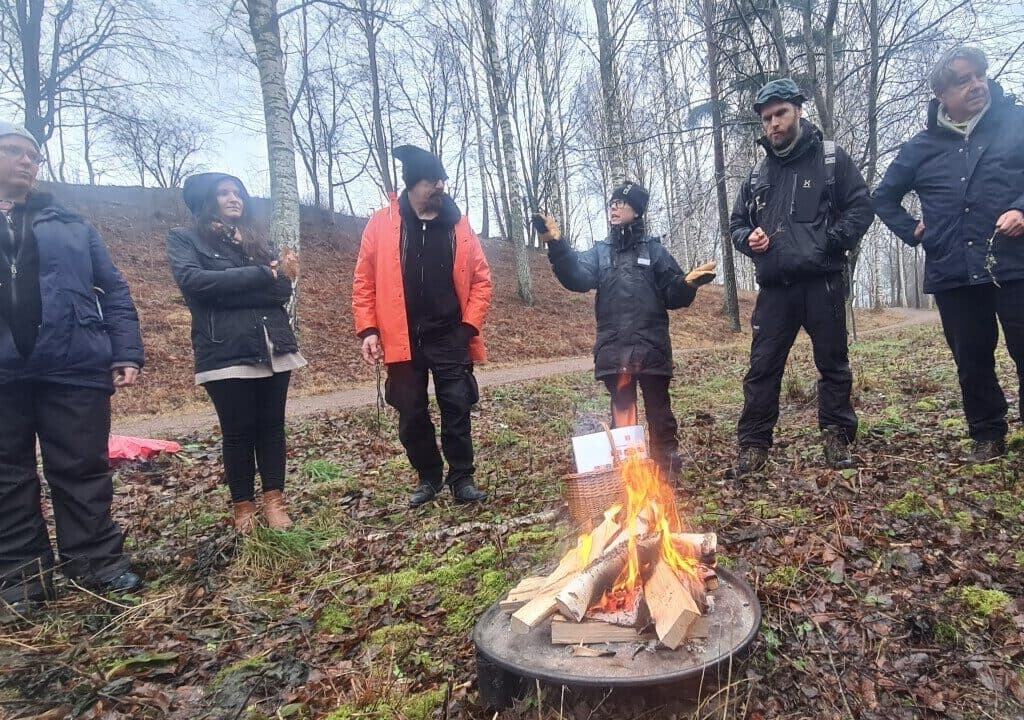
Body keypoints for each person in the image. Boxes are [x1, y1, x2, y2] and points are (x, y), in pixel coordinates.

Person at [0, 121, 145, 612]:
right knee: (6, 475)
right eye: (14, 151)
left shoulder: (71, 224)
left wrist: (124, 350)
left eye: (33, 156)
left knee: (82, 468)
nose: (27, 161)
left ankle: (96, 562)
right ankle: (23, 577)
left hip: (74, 362)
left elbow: (115, 289)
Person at [873, 47, 1024, 463]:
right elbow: (883, 197)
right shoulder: (921, 146)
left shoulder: (1016, 123)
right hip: (952, 270)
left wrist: (1021, 209)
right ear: (942, 94)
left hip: (1015, 265)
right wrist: (913, 230)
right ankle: (987, 436)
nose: (977, 85)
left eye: (980, 75)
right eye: (963, 80)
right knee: (972, 360)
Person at [729, 79, 874, 477]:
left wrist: (830, 242)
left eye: (780, 114)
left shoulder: (831, 159)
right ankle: (754, 445)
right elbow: (738, 223)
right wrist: (749, 239)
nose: (773, 124)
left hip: (822, 282)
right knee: (762, 368)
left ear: (797, 112)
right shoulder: (758, 173)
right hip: (775, 288)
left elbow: (861, 208)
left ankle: (837, 436)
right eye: (766, 118)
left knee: (833, 364)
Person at [537, 181, 717, 481]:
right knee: (622, 418)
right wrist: (557, 245)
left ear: (637, 210)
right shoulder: (600, 252)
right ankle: (630, 479)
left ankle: (667, 476)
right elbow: (577, 278)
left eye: (622, 203)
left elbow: (673, 296)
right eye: (612, 203)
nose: (614, 207)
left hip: (652, 348)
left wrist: (687, 285)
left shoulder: (655, 251)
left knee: (660, 413)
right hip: (613, 349)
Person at [352, 145, 492, 508]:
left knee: (457, 405)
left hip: (450, 335)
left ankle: (462, 477)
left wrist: (468, 327)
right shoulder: (382, 224)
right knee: (410, 411)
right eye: (433, 180)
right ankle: (428, 476)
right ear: (413, 185)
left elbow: (481, 280)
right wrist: (368, 329)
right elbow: (364, 280)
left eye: (443, 179)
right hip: (402, 338)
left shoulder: (459, 226)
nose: (441, 186)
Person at [168, 173, 305, 532]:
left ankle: (275, 501)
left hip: (273, 343)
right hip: (225, 349)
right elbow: (195, 284)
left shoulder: (258, 242)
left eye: (238, 193)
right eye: (224, 193)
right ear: (205, 201)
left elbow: (282, 293)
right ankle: (243, 507)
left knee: (272, 427)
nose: (234, 199)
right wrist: (262, 275)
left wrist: (240, 284)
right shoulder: (185, 240)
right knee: (238, 431)